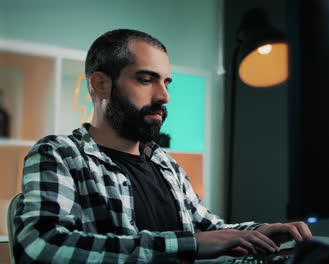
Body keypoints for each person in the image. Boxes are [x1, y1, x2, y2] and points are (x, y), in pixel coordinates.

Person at [13, 29, 312, 263]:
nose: (164, 96)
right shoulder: (59, 154)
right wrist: (190, 245)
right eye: (146, 80)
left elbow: (210, 230)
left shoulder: (164, 163)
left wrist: (258, 232)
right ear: (101, 84)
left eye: (166, 82)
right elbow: (43, 246)